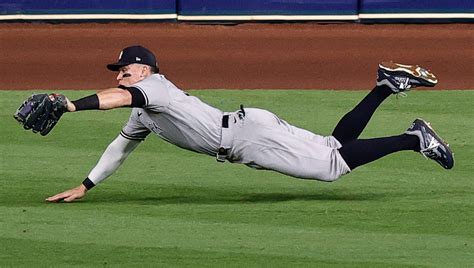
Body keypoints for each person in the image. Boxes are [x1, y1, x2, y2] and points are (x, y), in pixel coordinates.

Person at [46, 45, 454, 202]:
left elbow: (118, 98)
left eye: (127, 68)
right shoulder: (144, 109)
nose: (120, 74)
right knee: (334, 146)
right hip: (249, 128)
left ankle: (413, 139)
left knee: (332, 167)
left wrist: (69, 106)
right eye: (118, 70)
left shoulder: (155, 87)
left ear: (147, 69)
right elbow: (119, 147)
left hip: (246, 138)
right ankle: (384, 87)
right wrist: (85, 186)